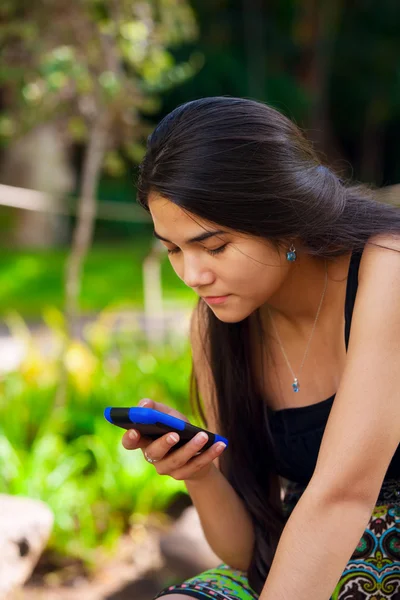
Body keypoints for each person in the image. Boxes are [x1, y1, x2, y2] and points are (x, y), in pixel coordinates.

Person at [122, 97, 400, 600]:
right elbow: (245, 553)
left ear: (284, 217)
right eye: (173, 250)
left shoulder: (388, 270)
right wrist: (201, 474)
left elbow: (342, 496)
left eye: (214, 246)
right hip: (307, 556)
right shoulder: (220, 325)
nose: (192, 275)